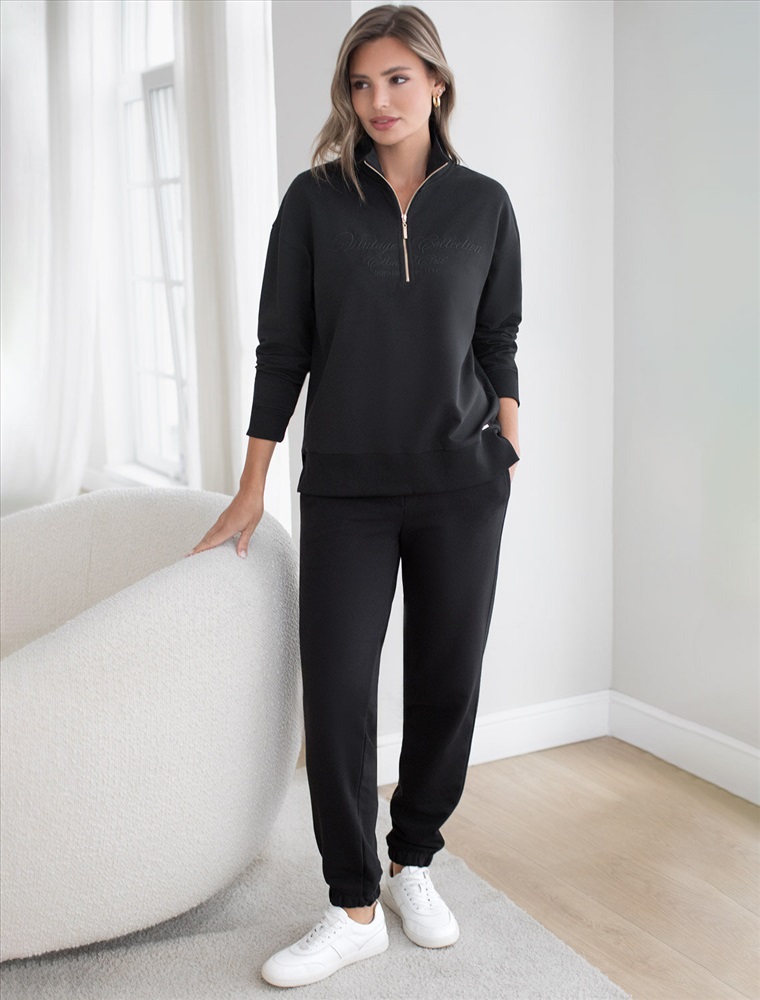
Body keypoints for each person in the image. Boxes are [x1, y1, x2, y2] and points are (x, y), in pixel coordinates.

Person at [187, 3, 522, 989]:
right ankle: (352, 904)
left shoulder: (485, 204)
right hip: (346, 490)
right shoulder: (314, 203)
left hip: (462, 483)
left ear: (437, 83)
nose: (378, 99)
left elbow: (497, 334)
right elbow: (281, 348)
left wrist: (508, 434)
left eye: (397, 78)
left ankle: (414, 861)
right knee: (336, 695)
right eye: (361, 82)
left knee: (446, 685)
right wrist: (253, 485)